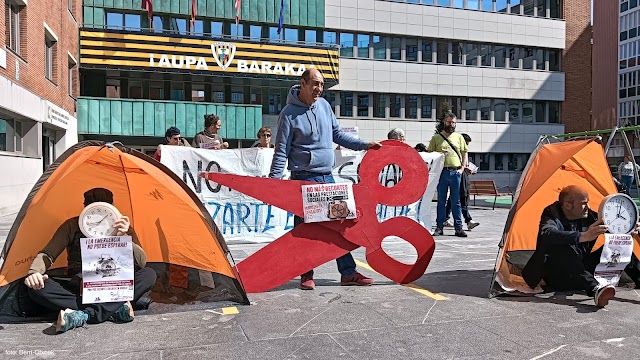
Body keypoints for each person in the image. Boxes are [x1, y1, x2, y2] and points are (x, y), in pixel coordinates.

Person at [269, 68, 382, 290]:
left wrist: (364, 145)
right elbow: (281, 151)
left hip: (327, 177)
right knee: (305, 231)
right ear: (303, 83)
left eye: (321, 84)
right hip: (303, 179)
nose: (319, 89)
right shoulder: (288, 114)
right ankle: (306, 274)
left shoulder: (324, 106)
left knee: (340, 226)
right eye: (315, 84)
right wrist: (274, 182)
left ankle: (348, 273)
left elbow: (338, 135)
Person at [24, 188, 157, 333]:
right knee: (37, 287)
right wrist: (35, 272)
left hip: (112, 283)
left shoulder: (122, 227)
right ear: (85, 207)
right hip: (79, 283)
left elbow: (141, 263)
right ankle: (114, 309)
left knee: (149, 274)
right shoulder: (72, 225)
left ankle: (84, 315)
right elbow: (48, 254)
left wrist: (124, 237)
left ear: (112, 208)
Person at [522, 185, 640, 308]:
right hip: (558, 274)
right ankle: (595, 289)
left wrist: (630, 228)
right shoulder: (552, 214)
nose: (588, 207)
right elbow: (547, 234)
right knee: (563, 246)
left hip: (582, 268)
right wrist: (583, 236)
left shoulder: (589, 216)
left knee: (619, 247)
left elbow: (612, 225)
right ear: (567, 205)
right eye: (584, 203)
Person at [427, 112, 468, 237]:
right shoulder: (436, 138)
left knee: (456, 201)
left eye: (453, 122)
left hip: (455, 172)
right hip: (442, 173)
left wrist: (462, 168)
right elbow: (430, 154)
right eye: (449, 122)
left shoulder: (459, 137)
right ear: (444, 122)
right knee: (441, 201)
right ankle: (439, 226)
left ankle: (458, 227)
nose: (451, 124)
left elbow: (464, 152)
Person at [444, 133, 479, 230]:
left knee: (453, 199)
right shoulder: (458, 152)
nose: (466, 146)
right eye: (466, 143)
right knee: (462, 198)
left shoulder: (462, 152)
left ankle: (445, 218)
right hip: (460, 176)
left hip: (461, 176)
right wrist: (464, 169)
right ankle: (468, 220)